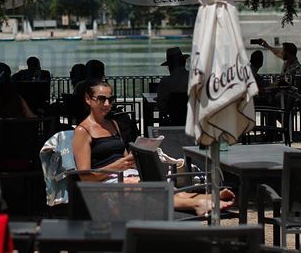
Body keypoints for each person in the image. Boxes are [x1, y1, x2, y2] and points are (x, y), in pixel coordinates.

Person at [72, 80, 234, 216]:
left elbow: (123, 158)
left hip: (125, 175)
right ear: (88, 99)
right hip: (104, 183)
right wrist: (116, 167)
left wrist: (137, 157)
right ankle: (197, 203)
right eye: (101, 99)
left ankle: (205, 198)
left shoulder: (113, 124)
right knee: (145, 189)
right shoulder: (82, 131)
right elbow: (84, 177)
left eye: (110, 99)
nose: (107, 104)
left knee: (158, 184)